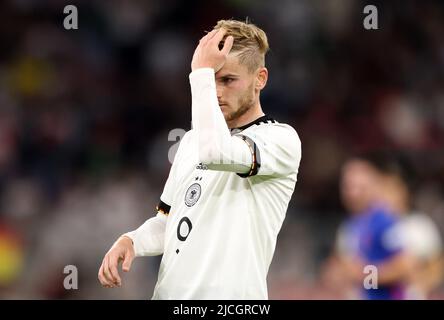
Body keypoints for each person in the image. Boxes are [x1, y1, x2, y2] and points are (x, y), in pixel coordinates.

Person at [98, 19, 302, 299]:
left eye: (228, 79)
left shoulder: (281, 139)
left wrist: (202, 73)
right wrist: (132, 240)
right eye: (212, 79)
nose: (216, 91)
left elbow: (217, 153)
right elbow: (169, 221)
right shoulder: (193, 141)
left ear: (260, 79)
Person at [322, 155, 417, 300]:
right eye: (348, 186)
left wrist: (365, 275)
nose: (353, 193)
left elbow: (405, 265)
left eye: (359, 187)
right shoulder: (351, 225)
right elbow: (344, 267)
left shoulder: (384, 220)